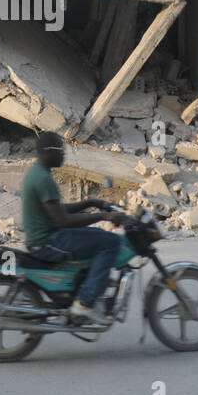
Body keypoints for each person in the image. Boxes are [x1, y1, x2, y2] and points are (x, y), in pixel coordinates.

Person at [20, 130, 124, 324]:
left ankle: (87, 289)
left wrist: (90, 203)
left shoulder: (38, 173)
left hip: (48, 237)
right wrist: (104, 215)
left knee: (98, 235)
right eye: (61, 150)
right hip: (48, 242)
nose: (63, 155)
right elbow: (64, 220)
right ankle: (84, 304)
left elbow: (58, 210)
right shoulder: (43, 179)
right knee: (110, 242)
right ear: (49, 151)